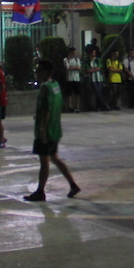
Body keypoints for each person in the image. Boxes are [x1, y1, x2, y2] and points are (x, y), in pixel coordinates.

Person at [24, 60, 81, 201]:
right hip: (55, 129)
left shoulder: (46, 88)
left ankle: (40, 191)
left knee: (44, 162)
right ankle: (73, 184)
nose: (37, 73)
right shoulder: (55, 85)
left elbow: (47, 110)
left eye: (39, 71)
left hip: (47, 131)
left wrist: (42, 130)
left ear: (45, 73)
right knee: (54, 158)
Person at [63, 47, 82, 112]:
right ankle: (70, 106)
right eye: (74, 52)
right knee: (69, 93)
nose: (75, 54)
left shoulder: (77, 59)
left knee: (77, 93)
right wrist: (75, 67)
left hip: (77, 78)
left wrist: (72, 67)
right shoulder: (66, 59)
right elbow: (67, 68)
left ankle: (77, 107)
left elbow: (79, 67)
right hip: (69, 78)